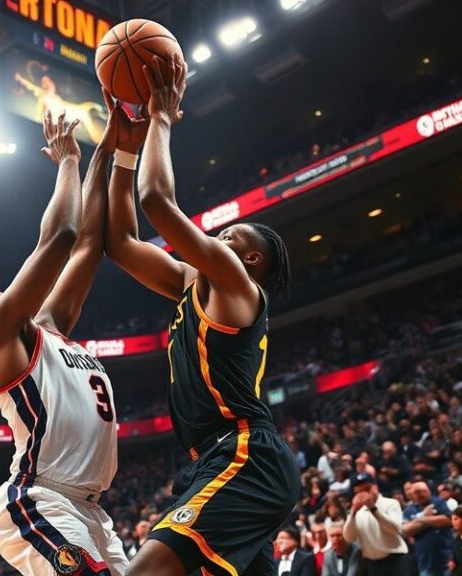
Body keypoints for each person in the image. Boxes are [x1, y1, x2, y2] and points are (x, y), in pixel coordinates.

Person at [106, 54, 300, 576]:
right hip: (209, 461)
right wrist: (124, 152)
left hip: (244, 454)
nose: (217, 238)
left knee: (144, 570)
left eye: (230, 236)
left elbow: (156, 202)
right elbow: (120, 243)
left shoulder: (236, 283)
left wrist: (161, 119)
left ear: (251, 258)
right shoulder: (192, 283)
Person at [0, 108, 134, 575]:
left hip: (92, 511)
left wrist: (107, 152)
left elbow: (86, 246)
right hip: (40, 498)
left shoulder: (48, 329)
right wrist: (66, 161)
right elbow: (60, 237)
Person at [342, 473, 408, 575]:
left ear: (375, 487)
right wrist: (352, 513)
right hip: (373, 563)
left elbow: (396, 529)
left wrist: (373, 509)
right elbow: (349, 538)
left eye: (367, 489)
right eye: (359, 492)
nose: (364, 495)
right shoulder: (355, 512)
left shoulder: (390, 503)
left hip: (396, 559)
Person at [402, 481, 452, 576]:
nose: (420, 494)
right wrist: (425, 517)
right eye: (416, 492)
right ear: (412, 494)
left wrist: (420, 521)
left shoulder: (438, 502)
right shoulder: (409, 510)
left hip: (446, 557)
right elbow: (406, 531)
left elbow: (448, 520)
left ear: (428, 491)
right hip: (424, 561)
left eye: (422, 491)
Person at [450, 505, 462, 576]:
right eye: (452, 520)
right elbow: (454, 562)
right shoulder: (456, 541)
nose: (453, 522)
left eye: (456, 519)